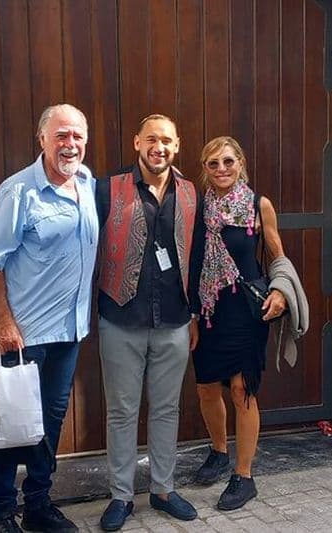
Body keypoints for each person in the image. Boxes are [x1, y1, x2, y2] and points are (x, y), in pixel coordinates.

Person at [0, 104, 98, 533]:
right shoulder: (19, 192)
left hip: (70, 330)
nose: (70, 144)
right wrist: (3, 322)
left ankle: (38, 505)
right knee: (12, 422)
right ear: (42, 138)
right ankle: (1, 514)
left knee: (49, 423)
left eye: (77, 136)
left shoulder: (87, 183)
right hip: (26, 335)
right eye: (61, 135)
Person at [95, 114, 204, 531]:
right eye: (152, 139)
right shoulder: (107, 189)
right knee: (121, 411)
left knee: (166, 409)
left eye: (167, 141)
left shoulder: (190, 193)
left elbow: (196, 257)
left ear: (177, 146)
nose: (159, 147)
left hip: (174, 320)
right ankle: (121, 496)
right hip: (120, 317)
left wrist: (194, 314)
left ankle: (163, 489)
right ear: (137, 142)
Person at [191, 136, 289, 511]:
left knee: (240, 389)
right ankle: (219, 451)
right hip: (209, 310)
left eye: (228, 161)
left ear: (241, 163)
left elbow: (277, 256)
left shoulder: (257, 205)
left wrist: (280, 291)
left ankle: (243, 476)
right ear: (205, 168)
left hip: (247, 310)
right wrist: (190, 314)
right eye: (213, 163)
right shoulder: (197, 208)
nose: (221, 169)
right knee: (206, 388)